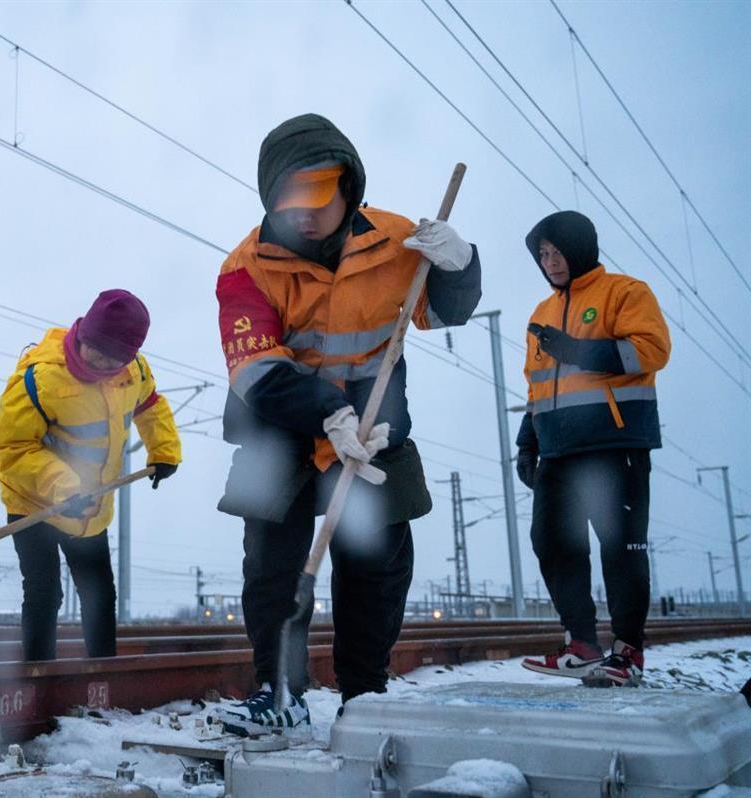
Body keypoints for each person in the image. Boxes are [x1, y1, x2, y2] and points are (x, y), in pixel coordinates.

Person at [212, 113, 482, 739]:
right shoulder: (244, 266)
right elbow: (254, 369)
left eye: (318, 199)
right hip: (276, 423)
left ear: (347, 188)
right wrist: (326, 414)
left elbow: (445, 312)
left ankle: (366, 694)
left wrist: (459, 266)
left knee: (377, 560)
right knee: (272, 563)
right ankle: (279, 693)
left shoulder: (396, 242)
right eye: (288, 202)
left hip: (375, 420)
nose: (304, 215)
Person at [516, 210, 670, 687]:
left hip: (614, 442)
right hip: (558, 450)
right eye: (542, 254)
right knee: (552, 541)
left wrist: (581, 350)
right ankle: (581, 644)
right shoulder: (541, 314)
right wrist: (528, 440)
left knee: (620, 549)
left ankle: (628, 652)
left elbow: (652, 349)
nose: (550, 261)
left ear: (579, 247)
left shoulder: (625, 292)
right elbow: (538, 384)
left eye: (557, 251)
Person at [0, 289, 181, 661]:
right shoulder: (38, 380)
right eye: (95, 348)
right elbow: (11, 450)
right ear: (82, 333)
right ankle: (39, 675)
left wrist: (164, 450)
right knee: (45, 590)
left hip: (88, 510)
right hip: (33, 504)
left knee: (98, 592)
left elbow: (151, 405)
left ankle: (103, 675)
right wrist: (66, 487)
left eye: (113, 357)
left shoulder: (134, 372)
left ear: (129, 357)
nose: (99, 360)